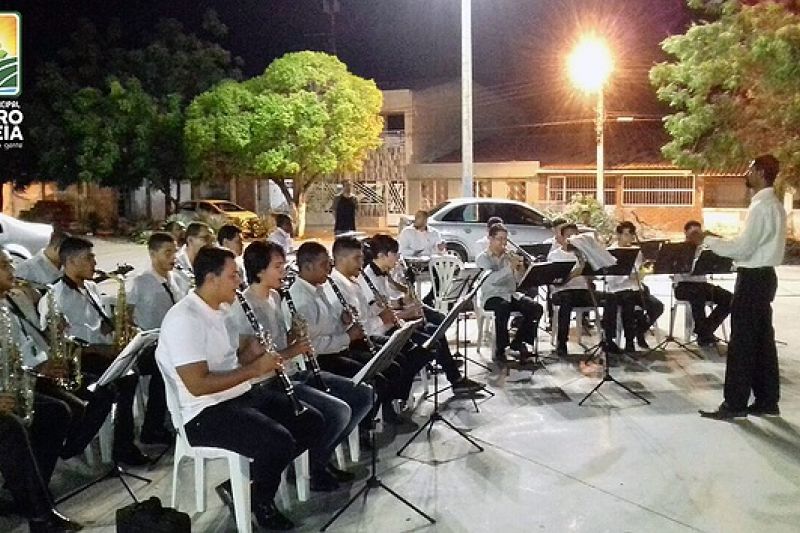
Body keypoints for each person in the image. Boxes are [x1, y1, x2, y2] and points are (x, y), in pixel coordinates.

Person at [156, 246, 325, 530]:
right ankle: (260, 502)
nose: (240, 282)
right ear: (212, 278)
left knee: (310, 422)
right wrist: (254, 369)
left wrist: (253, 354)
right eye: (234, 276)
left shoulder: (219, 311)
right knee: (278, 441)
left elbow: (231, 363)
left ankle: (245, 489)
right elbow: (197, 385)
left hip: (238, 396)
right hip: (202, 413)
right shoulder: (184, 319)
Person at [226, 240, 372, 491]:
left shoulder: (273, 296)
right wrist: (294, 349)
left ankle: (319, 459)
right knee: (337, 412)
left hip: (290, 373)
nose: (284, 271)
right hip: (264, 385)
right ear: (260, 271)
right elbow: (251, 362)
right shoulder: (242, 308)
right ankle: (311, 467)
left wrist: (294, 334)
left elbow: (279, 344)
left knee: (361, 394)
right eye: (278, 266)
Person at [37, 236, 149, 466]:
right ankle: (78, 445)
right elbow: (59, 343)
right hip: (80, 360)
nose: (95, 263)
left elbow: (99, 325)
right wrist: (100, 349)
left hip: (102, 354)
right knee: (119, 383)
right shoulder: (54, 297)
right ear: (70, 261)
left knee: (131, 375)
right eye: (88, 258)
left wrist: (119, 326)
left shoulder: (91, 288)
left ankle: (124, 444)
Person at [0, 248, 82, 533]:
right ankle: (39, 516)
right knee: (11, 428)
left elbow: (19, 354)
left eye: (10, 264)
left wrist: (38, 369)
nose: (12, 271)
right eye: (4, 266)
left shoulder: (5, 309)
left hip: (8, 390)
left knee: (56, 412)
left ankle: (27, 493)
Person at [699, 155, 787, 420]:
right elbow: (751, 244)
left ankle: (735, 404)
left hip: (752, 279)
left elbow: (744, 248)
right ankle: (766, 400)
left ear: (760, 172)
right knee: (762, 342)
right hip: (765, 277)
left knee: (742, 344)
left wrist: (709, 241)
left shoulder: (760, 207)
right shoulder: (775, 205)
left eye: (749, 169)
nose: (746, 173)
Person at [361, 234, 483, 394]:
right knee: (432, 342)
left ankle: (455, 378)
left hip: (394, 324)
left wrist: (405, 304)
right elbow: (380, 315)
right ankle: (446, 378)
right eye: (395, 254)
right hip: (384, 331)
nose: (397, 257)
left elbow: (387, 304)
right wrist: (408, 313)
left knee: (436, 332)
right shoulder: (369, 278)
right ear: (382, 256)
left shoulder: (382, 273)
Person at [127, 232, 189, 444]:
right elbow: (127, 315)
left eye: (175, 252)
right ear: (153, 254)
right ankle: (153, 427)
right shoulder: (141, 282)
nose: (173, 257)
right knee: (165, 368)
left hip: (175, 343)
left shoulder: (179, 279)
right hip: (150, 345)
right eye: (167, 253)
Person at [476, 223, 543, 375]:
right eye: (499, 239)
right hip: (491, 295)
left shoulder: (509, 257)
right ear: (490, 239)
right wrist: (509, 268)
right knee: (503, 307)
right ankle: (501, 349)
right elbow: (491, 280)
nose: (503, 243)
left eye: (505, 239)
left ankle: (518, 343)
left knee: (536, 308)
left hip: (511, 294)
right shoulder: (483, 258)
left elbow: (518, 282)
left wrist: (521, 270)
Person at [602, 222, 664, 354]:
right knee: (628, 303)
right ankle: (629, 341)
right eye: (626, 234)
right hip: (618, 291)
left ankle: (639, 331)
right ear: (618, 235)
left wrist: (641, 273)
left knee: (657, 306)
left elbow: (639, 272)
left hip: (636, 288)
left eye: (631, 234)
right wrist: (626, 275)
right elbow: (610, 279)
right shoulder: (610, 253)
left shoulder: (636, 251)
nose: (629, 238)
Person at [673, 220, 732, 346]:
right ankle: (704, 335)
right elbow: (683, 271)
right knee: (697, 295)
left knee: (729, 298)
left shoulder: (705, 249)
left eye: (698, 234)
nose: (696, 237)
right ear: (686, 233)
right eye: (693, 233)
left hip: (701, 285)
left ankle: (704, 330)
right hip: (684, 285)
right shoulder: (679, 249)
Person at [547, 223, 597, 357]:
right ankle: (562, 342)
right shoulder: (555, 255)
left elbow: (593, 277)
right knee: (566, 301)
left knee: (610, 298)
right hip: (562, 291)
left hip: (582, 290)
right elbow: (556, 282)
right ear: (561, 238)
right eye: (569, 236)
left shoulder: (583, 254)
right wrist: (573, 274)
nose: (573, 239)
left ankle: (609, 339)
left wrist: (591, 269)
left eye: (575, 236)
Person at [174, 221, 214, 292]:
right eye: (205, 238)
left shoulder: (209, 262)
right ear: (190, 240)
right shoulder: (175, 263)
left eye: (211, 240)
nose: (209, 244)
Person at [217, 224, 247, 289]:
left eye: (242, 242)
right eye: (238, 241)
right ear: (225, 242)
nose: (242, 245)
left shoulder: (239, 266)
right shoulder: (217, 266)